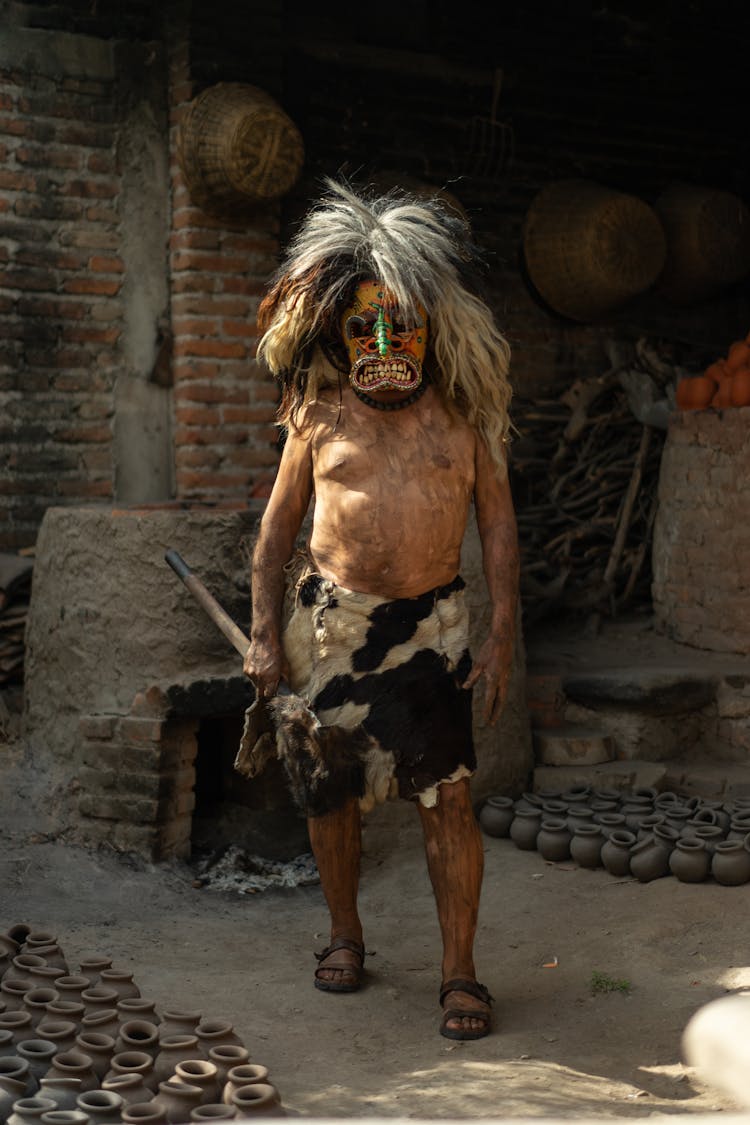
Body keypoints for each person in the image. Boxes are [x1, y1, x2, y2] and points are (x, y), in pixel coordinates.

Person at [243, 179, 519, 1041]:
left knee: (449, 803)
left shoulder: (465, 420)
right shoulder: (315, 414)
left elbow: (500, 526)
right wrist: (262, 632)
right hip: (331, 630)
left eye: (401, 321)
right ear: (340, 327)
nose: (386, 339)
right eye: (367, 324)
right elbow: (275, 531)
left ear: (431, 323)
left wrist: (503, 629)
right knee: (330, 801)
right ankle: (345, 936)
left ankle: (460, 972)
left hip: (432, 636)